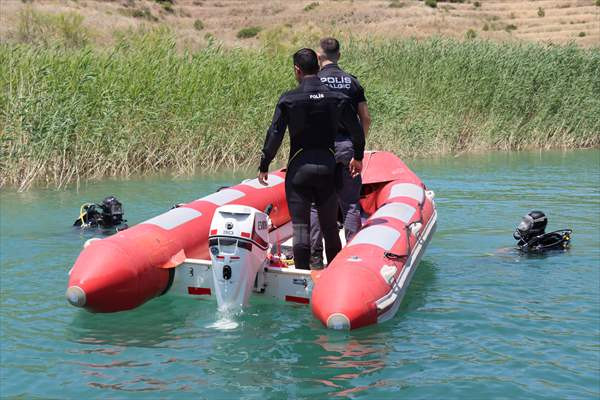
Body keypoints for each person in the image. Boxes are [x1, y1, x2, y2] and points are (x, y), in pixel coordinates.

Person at [258, 48, 365, 270]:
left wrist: (265, 163)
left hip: (299, 171)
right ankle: (335, 275)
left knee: (301, 229)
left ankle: (303, 277)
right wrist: (358, 156)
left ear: (297, 70)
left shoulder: (289, 99)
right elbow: (356, 130)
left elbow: (275, 133)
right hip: (328, 167)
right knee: (329, 227)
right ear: (318, 66)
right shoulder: (337, 98)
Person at [309, 37, 372, 268]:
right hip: (347, 147)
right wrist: (358, 147)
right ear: (339, 56)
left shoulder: (312, 82)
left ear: (319, 57)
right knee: (351, 204)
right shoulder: (352, 83)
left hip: (320, 150)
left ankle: (315, 258)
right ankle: (352, 259)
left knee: (316, 205)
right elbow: (365, 118)